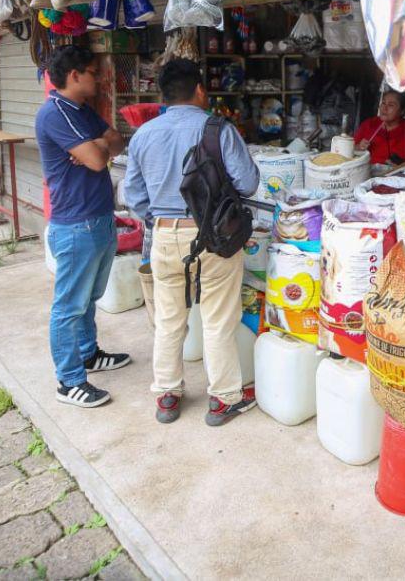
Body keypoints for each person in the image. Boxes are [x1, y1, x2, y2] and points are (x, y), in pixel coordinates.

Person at [123, 59, 260, 427]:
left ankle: (167, 395)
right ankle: (223, 400)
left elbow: (132, 194)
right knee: (217, 320)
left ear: (163, 96)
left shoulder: (143, 134)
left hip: (165, 235)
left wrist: (159, 221)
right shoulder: (218, 129)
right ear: (200, 91)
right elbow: (248, 184)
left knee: (168, 320)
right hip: (214, 236)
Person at [35, 45, 130, 409]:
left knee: (89, 298)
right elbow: (95, 160)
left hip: (98, 217)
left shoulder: (81, 111)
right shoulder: (55, 114)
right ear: (74, 75)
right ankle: (69, 380)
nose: (100, 77)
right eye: (93, 72)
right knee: (69, 306)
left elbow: (115, 143)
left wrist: (98, 145)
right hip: (75, 225)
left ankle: (89, 354)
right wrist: (95, 147)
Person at [353, 89, 405, 166]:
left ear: (402, 111)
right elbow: (349, 151)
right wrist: (358, 147)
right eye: (383, 103)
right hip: (367, 173)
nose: (384, 108)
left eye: (391, 105)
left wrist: (402, 165)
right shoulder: (369, 124)